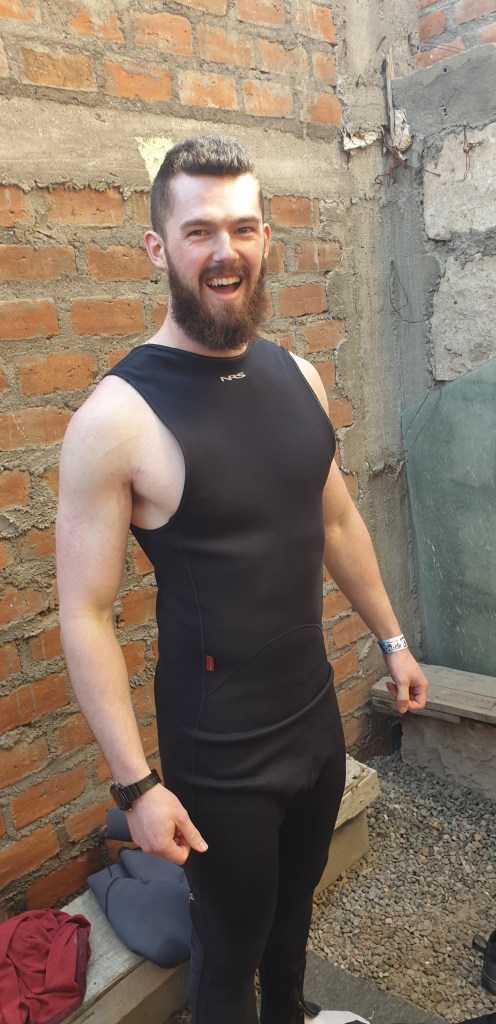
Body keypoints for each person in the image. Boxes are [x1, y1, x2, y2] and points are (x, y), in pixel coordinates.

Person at [56, 135, 428, 1024]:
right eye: (199, 232)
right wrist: (137, 788)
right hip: (219, 756)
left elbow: (335, 521)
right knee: (227, 957)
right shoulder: (115, 419)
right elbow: (86, 613)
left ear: (264, 236)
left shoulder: (296, 374)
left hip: (313, 720)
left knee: (294, 919)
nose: (226, 251)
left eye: (243, 227)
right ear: (158, 247)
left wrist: (393, 640)